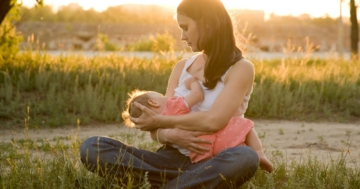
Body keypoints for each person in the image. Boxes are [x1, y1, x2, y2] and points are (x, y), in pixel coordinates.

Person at [80, 0, 270, 188]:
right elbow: (157, 131)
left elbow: (214, 121)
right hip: (168, 160)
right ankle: (181, 184)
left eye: (186, 27)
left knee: (245, 158)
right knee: (92, 147)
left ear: (208, 23)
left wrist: (161, 124)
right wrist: (170, 136)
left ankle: (162, 184)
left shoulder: (241, 68)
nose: (182, 36)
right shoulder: (182, 67)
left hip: (213, 161)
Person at [122, 85, 272, 170]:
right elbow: (196, 95)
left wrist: (163, 132)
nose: (166, 97)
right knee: (243, 126)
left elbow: (155, 132)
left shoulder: (161, 123)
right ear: (154, 103)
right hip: (218, 137)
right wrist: (194, 83)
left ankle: (184, 180)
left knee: (239, 156)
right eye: (160, 95)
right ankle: (259, 153)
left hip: (201, 156)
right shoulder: (172, 105)